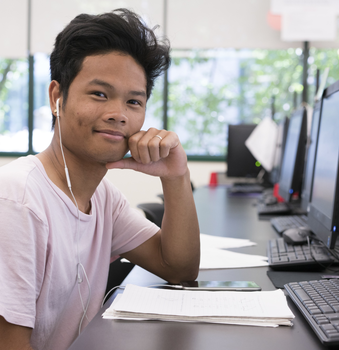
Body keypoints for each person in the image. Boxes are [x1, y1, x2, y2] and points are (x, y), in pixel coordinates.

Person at [0, 9, 200, 350]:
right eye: (100, 94)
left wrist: (176, 176)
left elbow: (178, 268)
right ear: (56, 98)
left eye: (134, 101)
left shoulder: (103, 197)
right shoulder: (19, 199)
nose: (118, 114)